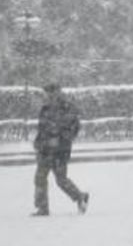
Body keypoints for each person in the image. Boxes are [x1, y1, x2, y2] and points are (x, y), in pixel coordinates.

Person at [32, 83, 89, 217]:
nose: (49, 95)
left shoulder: (67, 107)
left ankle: (80, 196)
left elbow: (74, 128)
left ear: (58, 92)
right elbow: (42, 128)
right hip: (45, 150)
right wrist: (38, 141)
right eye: (47, 93)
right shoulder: (45, 109)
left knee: (61, 180)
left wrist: (61, 139)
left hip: (60, 151)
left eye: (52, 92)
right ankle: (42, 208)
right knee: (40, 178)